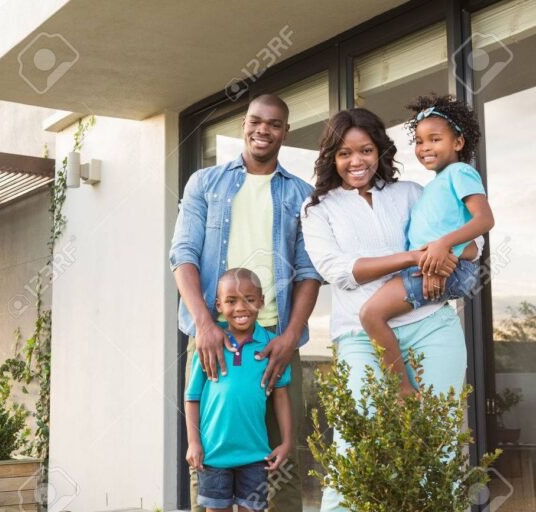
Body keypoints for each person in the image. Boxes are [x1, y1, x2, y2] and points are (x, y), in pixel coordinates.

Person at [299, 107, 481, 512]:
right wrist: (413, 258)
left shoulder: (412, 193)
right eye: (345, 154)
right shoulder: (318, 210)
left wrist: (443, 252)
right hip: (362, 338)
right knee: (357, 440)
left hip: (432, 327)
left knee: (438, 440)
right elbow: (340, 272)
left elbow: (473, 245)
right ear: (332, 157)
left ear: (380, 151)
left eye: (366, 150)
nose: (356, 161)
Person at [170, 93, 322, 512]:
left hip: (276, 339)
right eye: (256, 121)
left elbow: (310, 271)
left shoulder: (302, 194)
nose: (263, 130)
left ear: (285, 132)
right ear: (243, 124)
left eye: (274, 124)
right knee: (210, 460)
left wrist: (290, 336)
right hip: (212, 335)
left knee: (281, 464)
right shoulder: (205, 183)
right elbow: (182, 255)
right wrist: (205, 325)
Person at [359, 95, 494, 397]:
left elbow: (484, 219)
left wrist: (442, 247)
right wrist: (434, 259)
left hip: (455, 269)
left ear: (458, 142)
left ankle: (402, 388)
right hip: (439, 266)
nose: (425, 148)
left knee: (371, 315)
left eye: (435, 139)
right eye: (420, 142)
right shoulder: (433, 186)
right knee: (374, 314)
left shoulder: (460, 173)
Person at [185, 268, 292, 512]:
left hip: (255, 457)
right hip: (213, 456)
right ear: (219, 305)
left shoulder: (271, 345)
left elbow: (281, 395)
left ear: (261, 302)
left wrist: (286, 441)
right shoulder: (209, 345)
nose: (241, 308)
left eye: (249, 300)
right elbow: (192, 398)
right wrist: (194, 443)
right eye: (231, 301)